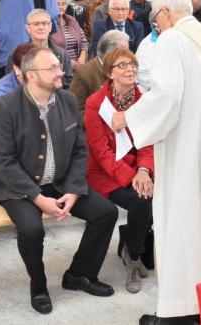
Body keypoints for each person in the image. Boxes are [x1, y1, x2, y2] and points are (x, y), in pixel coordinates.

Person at [110, 0, 201, 324]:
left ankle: (178, 310)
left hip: (187, 145)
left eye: (156, 17)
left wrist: (128, 119)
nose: (157, 24)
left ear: (165, 12)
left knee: (181, 220)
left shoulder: (172, 40)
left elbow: (166, 97)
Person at [0, 47, 119, 315]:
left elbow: (80, 150)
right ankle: (38, 285)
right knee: (32, 230)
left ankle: (79, 274)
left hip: (59, 183)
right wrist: (38, 198)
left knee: (106, 213)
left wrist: (74, 189)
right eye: (52, 68)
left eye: (59, 66)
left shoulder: (67, 100)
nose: (61, 72)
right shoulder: (6, 106)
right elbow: (3, 162)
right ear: (31, 75)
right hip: (19, 188)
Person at [84, 48, 154, 294]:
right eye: (122, 65)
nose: (129, 69)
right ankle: (134, 257)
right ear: (109, 73)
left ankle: (129, 243)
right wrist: (132, 177)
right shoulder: (96, 104)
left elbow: (147, 141)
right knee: (141, 199)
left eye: (132, 64)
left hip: (137, 167)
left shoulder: (143, 100)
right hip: (105, 173)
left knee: (160, 194)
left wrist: (143, 170)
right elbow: (100, 151)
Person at [70, 30, 130, 117]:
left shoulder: (125, 69)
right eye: (124, 52)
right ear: (109, 53)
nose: (128, 56)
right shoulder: (84, 74)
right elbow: (77, 110)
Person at [25, 9, 72, 88]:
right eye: (36, 24)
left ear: (50, 27)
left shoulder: (62, 54)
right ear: (28, 28)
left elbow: (68, 84)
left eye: (44, 23)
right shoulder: (19, 56)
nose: (41, 27)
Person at [0, 43, 36, 118]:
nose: (33, 73)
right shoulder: (1, 91)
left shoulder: (43, 82)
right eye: (28, 68)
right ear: (16, 69)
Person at [50, 0, 89, 73]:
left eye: (63, 4)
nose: (61, 7)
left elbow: (84, 41)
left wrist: (82, 57)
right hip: (59, 67)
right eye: (57, 4)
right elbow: (48, 48)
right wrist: (67, 61)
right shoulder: (48, 23)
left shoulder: (72, 20)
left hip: (79, 66)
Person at [135, 8, 162, 92]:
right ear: (154, 23)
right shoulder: (146, 45)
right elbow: (143, 74)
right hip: (151, 91)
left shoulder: (167, 39)